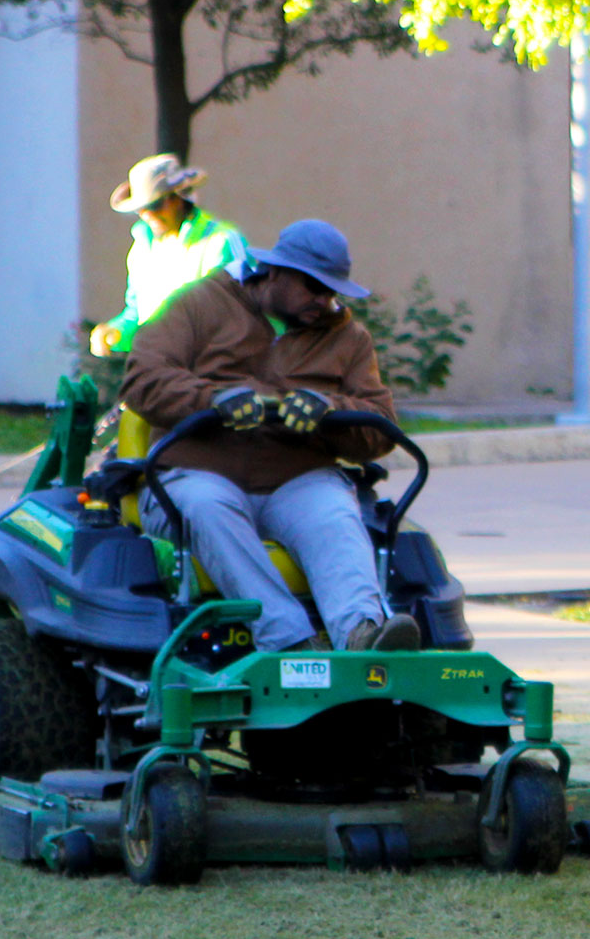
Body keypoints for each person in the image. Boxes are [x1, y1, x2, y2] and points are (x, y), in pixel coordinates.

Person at [120, 219, 422, 653]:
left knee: (334, 514)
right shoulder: (196, 306)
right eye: (314, 288)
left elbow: (380, 425)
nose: (325, 301)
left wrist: (330, 412)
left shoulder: (348, 338)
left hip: (297, 478)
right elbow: (143, 380)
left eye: (332, 291)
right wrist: (212, 400)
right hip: (197, 471)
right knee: (208, 507)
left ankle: (363, 635)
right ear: (274, 271)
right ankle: (290, 643)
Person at [90, 154, 249, 357]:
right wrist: (116, 333)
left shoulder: (222, 241)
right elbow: (137, 314)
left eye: (155, 205)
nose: (148, 215)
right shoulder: (141, 249)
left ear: (179, 197)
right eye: (141, 209)